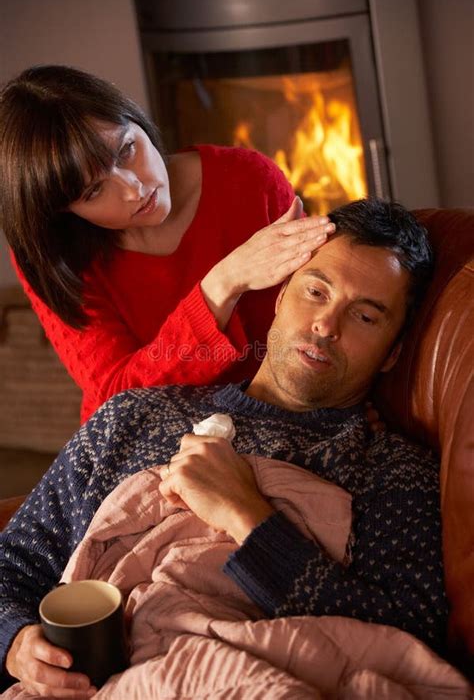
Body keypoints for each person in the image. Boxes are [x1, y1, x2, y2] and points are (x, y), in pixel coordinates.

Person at [0, 198, 446, 699]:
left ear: (394, 354)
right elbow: (12, 563)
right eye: (316, 291)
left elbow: (408, 635)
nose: (326, 325)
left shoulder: (392, 470)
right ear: (280, 296)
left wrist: (247, 514)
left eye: (365, 316)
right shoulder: (133, 417)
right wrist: (15, 642)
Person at [0, 64, 334, 423]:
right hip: (144, 442)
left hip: (273, 419)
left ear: (136, 120)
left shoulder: (249, 179)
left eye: (127, 149)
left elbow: (320, 317)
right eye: (94, 191)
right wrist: (222, 284)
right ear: (63, 213)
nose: (134, 189)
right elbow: (118, 398)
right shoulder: (51, 255)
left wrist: (351, 395)